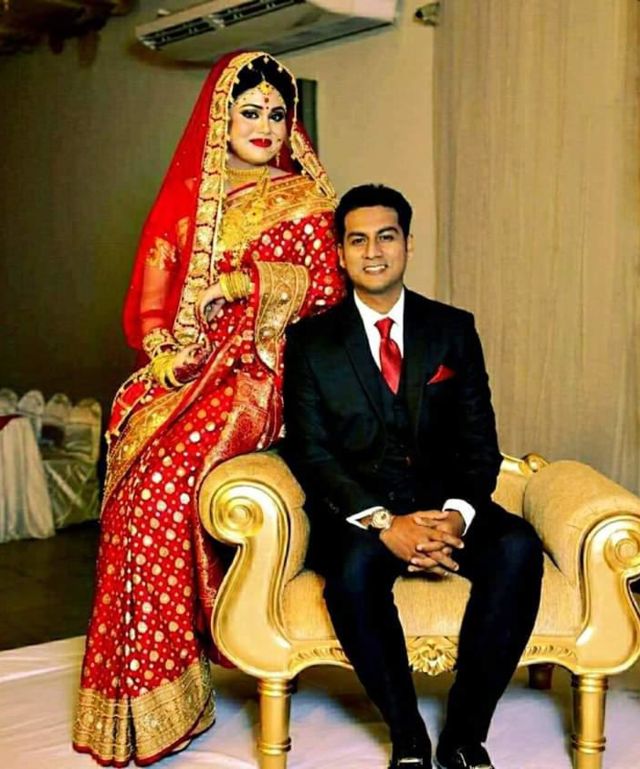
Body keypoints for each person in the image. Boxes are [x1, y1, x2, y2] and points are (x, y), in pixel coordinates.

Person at [72, 51, 345, 766]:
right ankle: (148, 694)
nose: (264, 126)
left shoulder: (304, 199)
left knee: (163, 492)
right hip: (194, 370)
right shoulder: (193, 196)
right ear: (221, 118)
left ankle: (171, 679)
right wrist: (162, 348)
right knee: (132, 491)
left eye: (277, 115)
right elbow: (155, 294)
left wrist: (245, 282)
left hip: (265, 373)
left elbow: (327, 289)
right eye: (250, 111)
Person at [282, 184, 543, 769]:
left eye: (386, 236)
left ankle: (464, 736)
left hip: (444, 503)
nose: (373, 251)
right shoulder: (310, 343)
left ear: (408, 244)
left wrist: (456, 516)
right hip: (361, 514)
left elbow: (480, 442)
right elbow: (312, 454)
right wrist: (384, 524)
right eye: (358, 240)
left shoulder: (452, 329)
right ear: (341, 253)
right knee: (351, 573)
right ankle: (407, 737)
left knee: (517, 547)